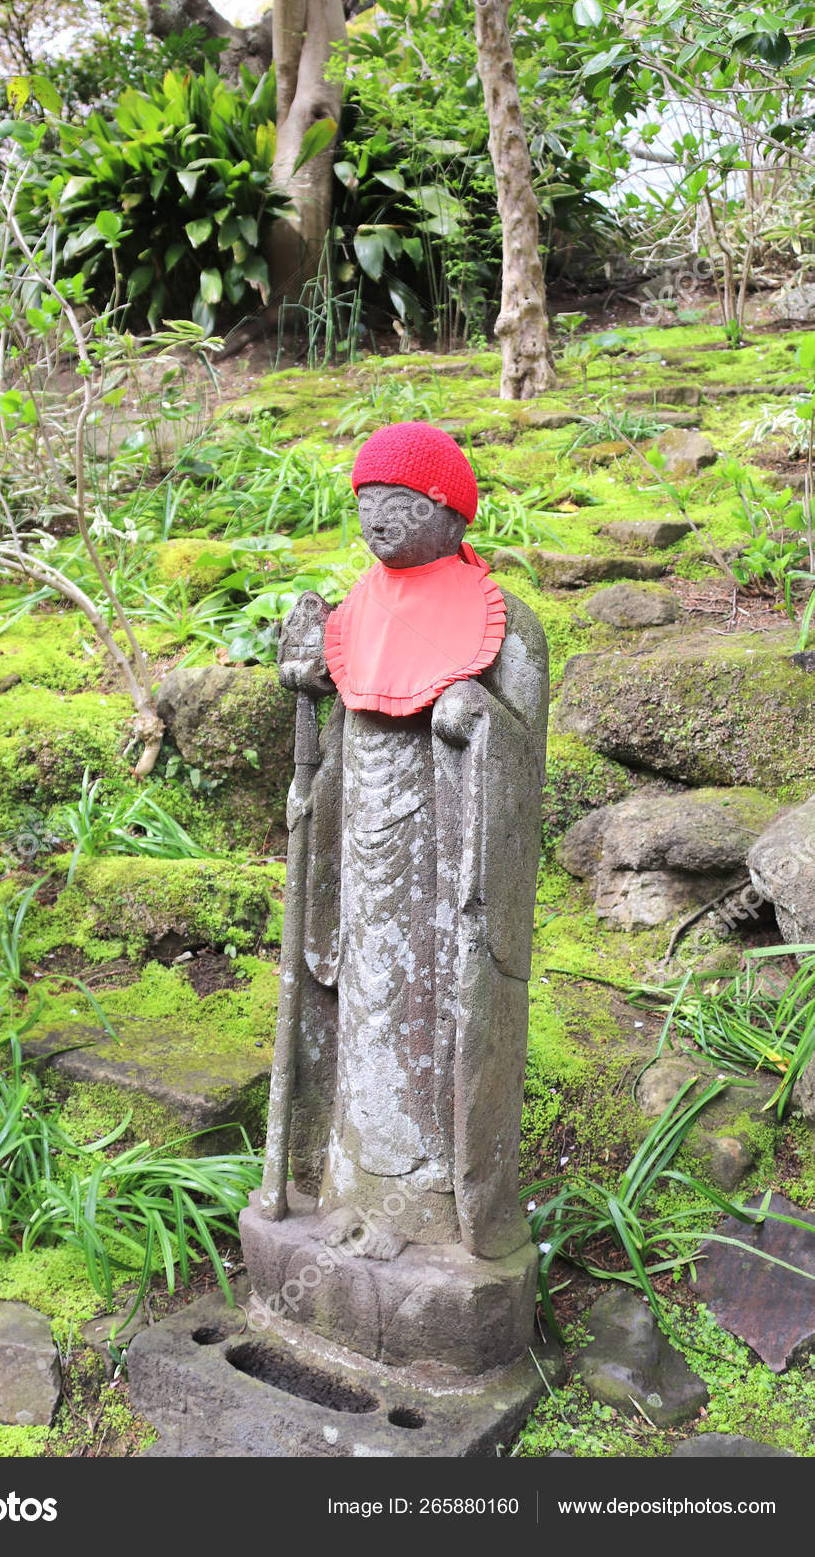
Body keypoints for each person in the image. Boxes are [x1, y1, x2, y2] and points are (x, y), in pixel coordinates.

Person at [269, 420, 549, 1265]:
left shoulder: (507, 625)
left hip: (446, 873)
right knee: (361, 1010)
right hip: (359, 861)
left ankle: (427, 1210)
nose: (377, 518)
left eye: (397, 501)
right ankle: (348, 1186)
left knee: (435, 1016)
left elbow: (523, 757)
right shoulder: (357, 610)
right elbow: (343, 719)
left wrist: (477, 718)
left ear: (449, 512)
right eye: (365, 502)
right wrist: (308, 678)